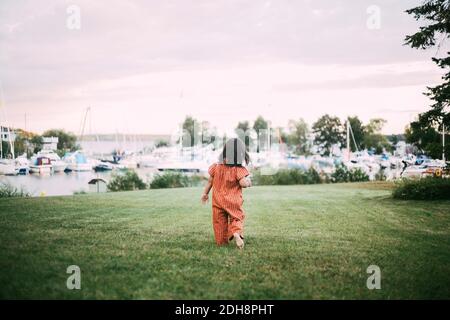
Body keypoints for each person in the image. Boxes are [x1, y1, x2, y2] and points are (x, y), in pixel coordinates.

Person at [201, 138, 252, 248]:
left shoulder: (216, 167)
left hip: (218, 201)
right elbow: (243, 183)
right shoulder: (238, 169)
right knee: (236, 218)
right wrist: (248, 182)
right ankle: (236, 233)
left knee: (219, 222)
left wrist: (205, 193)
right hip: (233, 201)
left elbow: (210, 181)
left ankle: (221, 242)